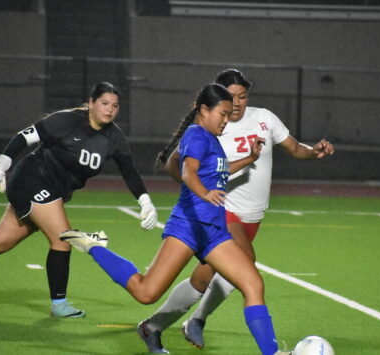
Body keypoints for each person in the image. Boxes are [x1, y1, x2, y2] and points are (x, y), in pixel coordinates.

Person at [59, 83, 288, 355]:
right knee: (146, 293)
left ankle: (272, 353)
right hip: (188, 227)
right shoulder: (196, 135)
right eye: (223, 114)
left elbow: (220, 170)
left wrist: (249, 158)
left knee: (253, 284)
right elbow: (189, 172)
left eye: (229, 115)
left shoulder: (212, 138)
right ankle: (94, 245)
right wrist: (205, 193)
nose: (227, 120)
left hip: (214, 232)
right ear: (204, 110)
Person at [138, 69, 335, 353]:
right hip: (224, 211)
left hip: (252, 217)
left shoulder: (264, 118)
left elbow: (294, 148)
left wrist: (314, 151)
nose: (238, 103)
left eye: (242, 96)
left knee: (203, 280)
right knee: (247, 271)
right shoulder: (213, 125)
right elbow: (178, 166)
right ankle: (202, 323)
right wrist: (194, 181)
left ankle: (155, 326)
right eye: (231, 97)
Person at [0, 82, 158, 318]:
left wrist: (145, 202)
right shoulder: (66, 120)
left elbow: (130, 172)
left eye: (115, 106)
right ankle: (59, 305)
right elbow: (23, 137)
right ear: (91, 103)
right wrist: (1, 166)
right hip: (31, 179)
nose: (110, 109)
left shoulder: (114, 138)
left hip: (52, 190)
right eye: (104, 103)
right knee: (63, 238)